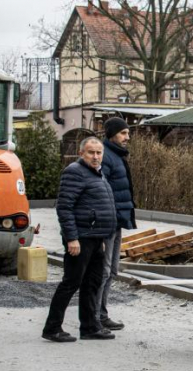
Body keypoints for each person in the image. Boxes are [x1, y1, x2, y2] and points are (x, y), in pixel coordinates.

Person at [42, 137, 117, 342]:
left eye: (99, 153)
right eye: (91, 152)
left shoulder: (98, 173)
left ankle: (90, 327)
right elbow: (64, 207)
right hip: (81, 238)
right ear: (81, 153)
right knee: (71, 282)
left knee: (92, 283)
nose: (95, 156)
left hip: (95, 238)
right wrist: (72, 238)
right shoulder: (74, 172)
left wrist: (102, 237)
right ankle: (52, 328)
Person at [97, 117, 136, 331]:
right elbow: (101, 190)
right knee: (103, 271)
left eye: (128, 133)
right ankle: (95, 317)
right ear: (112, 134)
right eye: (123, 133)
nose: (127, 137)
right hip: (108, 222)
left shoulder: (117, 155)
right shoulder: (105, 156)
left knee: (112, 270)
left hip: (117, 220)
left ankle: (102, 315)